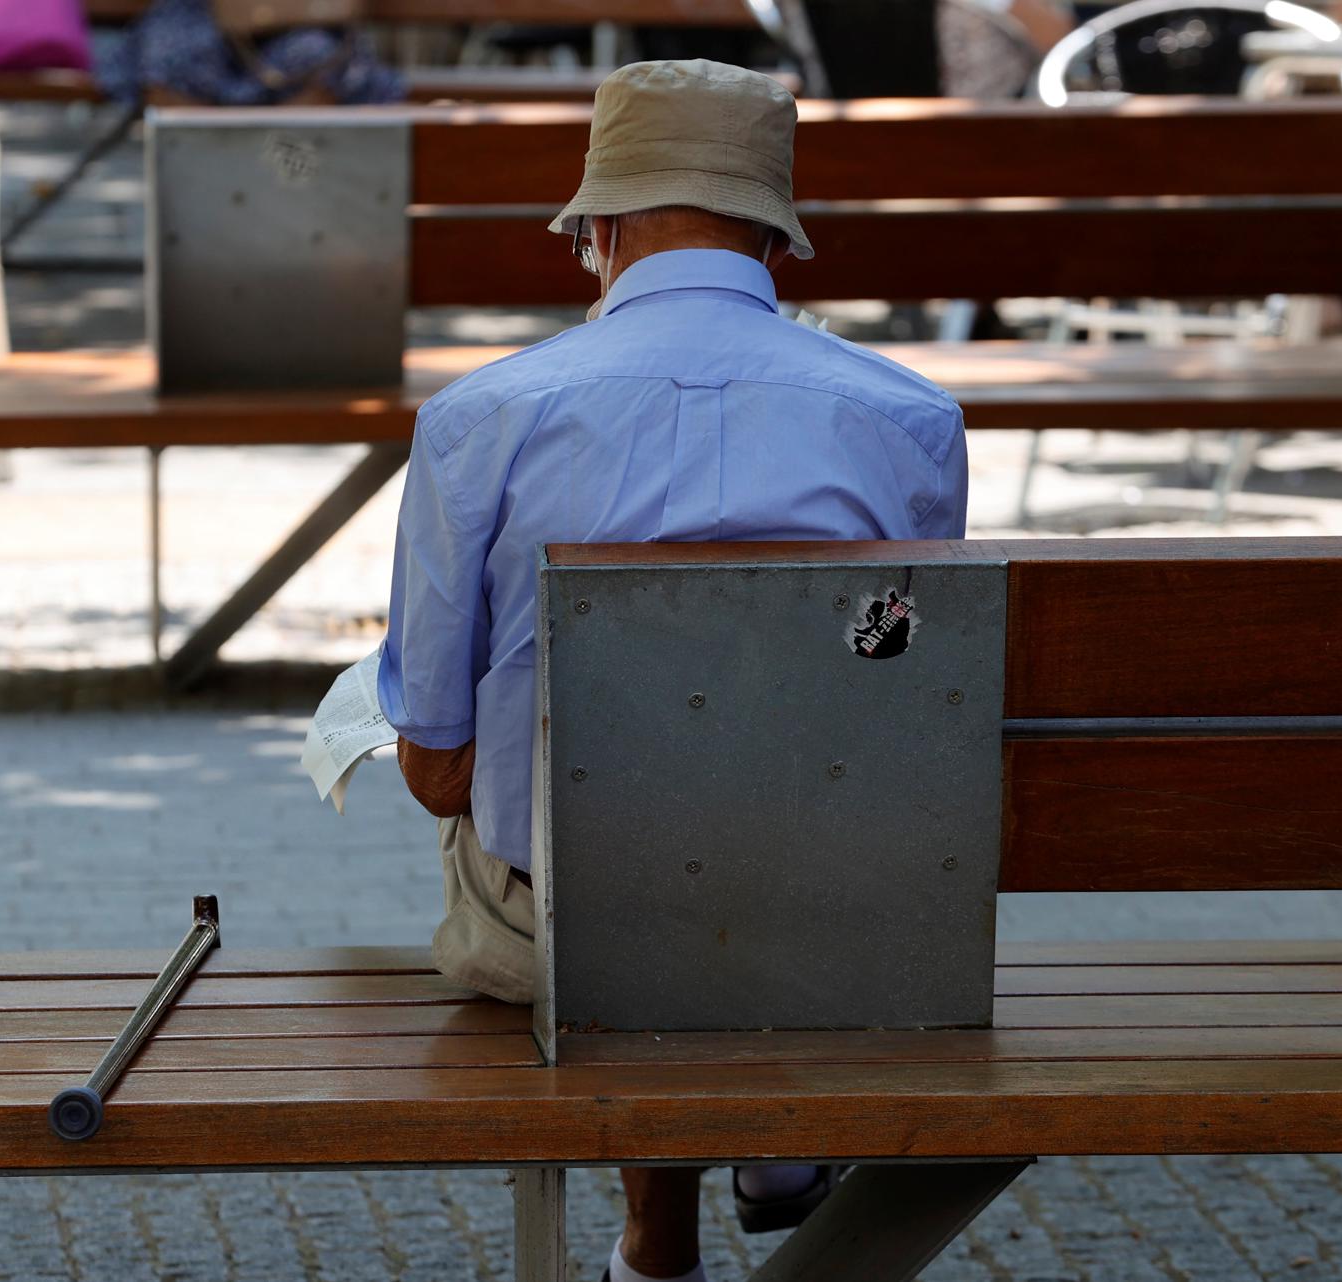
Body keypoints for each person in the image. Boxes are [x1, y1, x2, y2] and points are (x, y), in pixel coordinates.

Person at [377, 59, 969, 1282]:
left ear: (595, 231)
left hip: (572, 928)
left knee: (587, 830)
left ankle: (657, 1242)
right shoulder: (909, 418)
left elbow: (436, 770)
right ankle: (770, 1146)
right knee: (744, 810)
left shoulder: (483, 416)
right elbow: (900, 676)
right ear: (777, 243)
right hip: (845, 923)